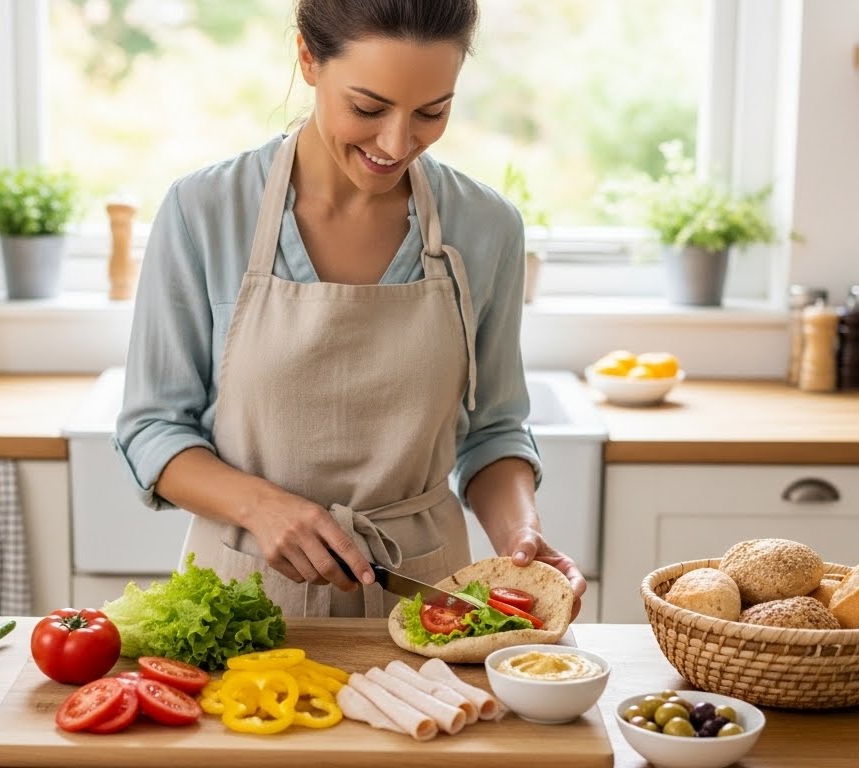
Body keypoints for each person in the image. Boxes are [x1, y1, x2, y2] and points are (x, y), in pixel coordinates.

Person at [115, 0, 587, 620]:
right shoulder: (204, 211)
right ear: (309, 59)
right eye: (368, 108)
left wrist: (518, 535)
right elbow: (152, 429)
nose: (397, 143)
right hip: (243, 600)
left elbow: (494, 430)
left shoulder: (485, 226)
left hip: (427, 601)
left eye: (431, 112)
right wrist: (261, 506)